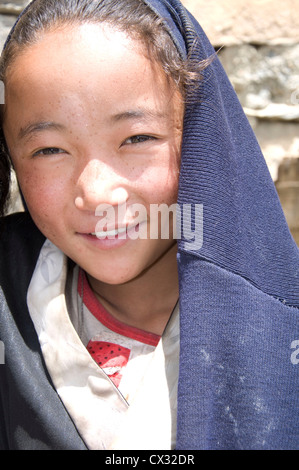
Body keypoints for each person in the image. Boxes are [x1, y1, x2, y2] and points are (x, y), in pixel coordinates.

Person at [0, 0, 298, 451]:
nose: (98, 194)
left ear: (200, 133)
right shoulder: (9, 301)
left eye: (138, 138)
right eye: (49, 150)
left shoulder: (280, 336)